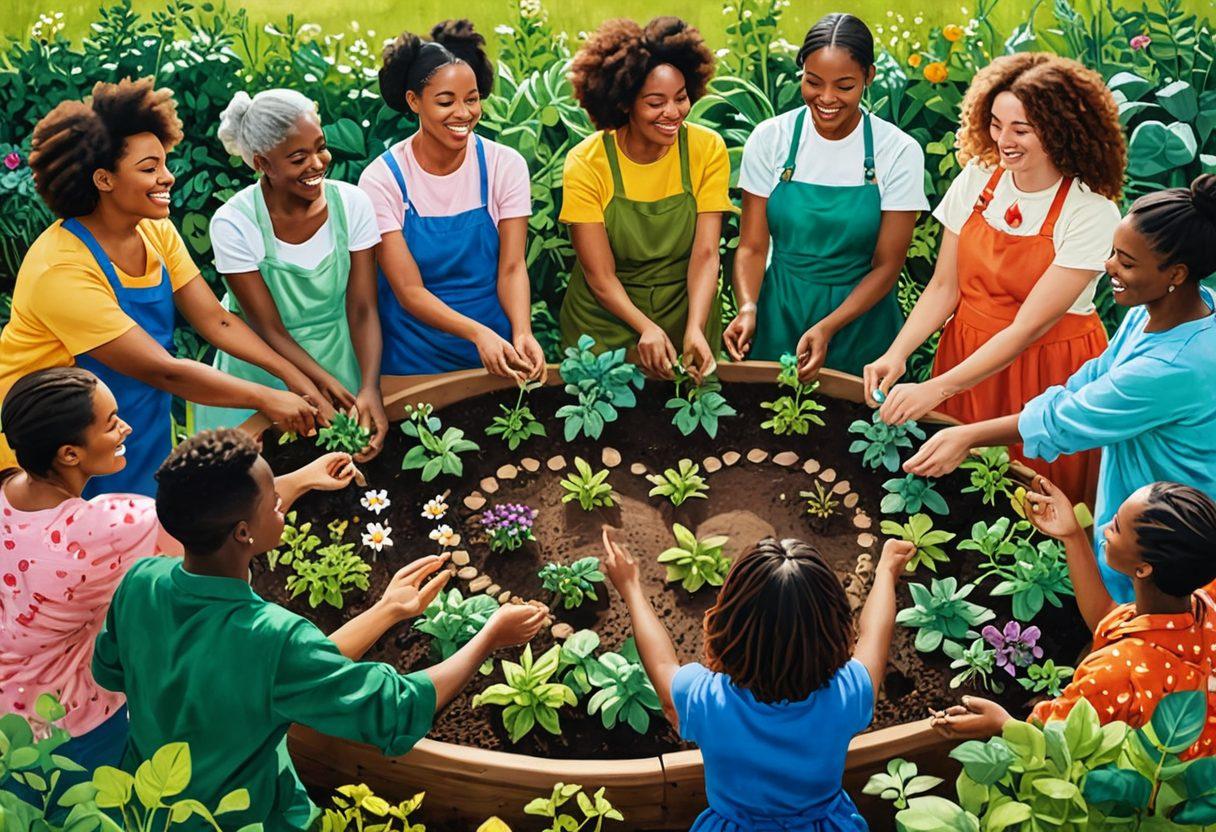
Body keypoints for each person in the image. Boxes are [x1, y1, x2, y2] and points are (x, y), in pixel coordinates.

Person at [92, 428, 549, 830]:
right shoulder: (272, 636)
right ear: (242, 534)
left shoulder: (141, 580)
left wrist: (388, 609)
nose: (282, 506)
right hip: (237, 818)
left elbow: (112, 671)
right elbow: (398, 707)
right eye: (273, 502)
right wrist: (490, 634)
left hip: (145, 805)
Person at [0, 368, 351, 800]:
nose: (125, 426)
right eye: (111, 422)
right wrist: (304, 478)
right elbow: (215, 517)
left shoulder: (6, 490)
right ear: (70, 454)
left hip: (10, 725)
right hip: (77, 724)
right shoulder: (102, 527)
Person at [0, 77, 323, 498]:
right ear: (103, 180)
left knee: (147, 533)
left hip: (127, 418)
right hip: (53, 454)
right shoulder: (60, 270)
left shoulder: (156, 233)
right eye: (149, 168)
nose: (168, 178)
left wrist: (292, 377)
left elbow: (216, 322)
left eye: (165, 163)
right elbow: (162, 368)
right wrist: (267, 398)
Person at [904, 174, 1216, 601]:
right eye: (1113, 253)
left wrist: (968, 434)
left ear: (1175, 274)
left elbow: (1068, 420)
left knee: (1139, 607)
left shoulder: (1174, 367)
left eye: (1126, 262)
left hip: (1166, 522)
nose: (1108, 267)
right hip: (1141, 491)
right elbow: (1095, 376)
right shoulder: (1169, 311)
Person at [866, 54, 1126, 505]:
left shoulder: (1090, 212)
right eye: (995, 124)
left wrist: (937, 388)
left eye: (1021, 129)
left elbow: (1027, 328)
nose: (1003, 141)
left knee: (1036, 501)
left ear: (1060, 130)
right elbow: (945, 287)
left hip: (1045, 370)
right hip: (965, 354)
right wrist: (898, 353)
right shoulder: (979, 179)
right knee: (962, 497)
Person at [600, 526, 914, 830]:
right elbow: (875, 634)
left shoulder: (708, 700)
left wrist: (631, 589)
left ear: (730, 625)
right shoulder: (849, 694)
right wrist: (886, 572)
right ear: (834, 627)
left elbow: (662, 664)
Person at [930, 478, 1216, 760]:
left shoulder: (1114, 674)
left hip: (1158, 797)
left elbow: (1054, 743)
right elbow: (1112, 620)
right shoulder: (1206, 604)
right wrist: (1072, 535)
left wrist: (1001, 724)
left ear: (1142, 569)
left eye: (1115, 528)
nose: (1104, 529)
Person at [723, 13, 926, 378]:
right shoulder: (771, 139)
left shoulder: (897, 151)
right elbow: (753, 246)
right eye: (813, 82)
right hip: (780, 310)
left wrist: (829, 327)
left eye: (844, 86)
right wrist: (749, 308)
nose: (827, 98)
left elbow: (888, 265)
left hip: (862, 320)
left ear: (869, 77)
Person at [195, 90, 388, 460]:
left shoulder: (352, 204)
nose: (317, 164)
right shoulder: (235, 224)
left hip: (338, 356)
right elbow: (269, 329)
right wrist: (318, 387)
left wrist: (368, 387)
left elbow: (362, 307)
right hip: (261, 371)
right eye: (299, 158)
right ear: (262, 163)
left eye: (321, 147)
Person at [359, 20, 545, 382]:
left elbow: (511, 267)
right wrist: (477, 334)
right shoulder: (383, 180)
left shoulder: (504, 166)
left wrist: (521, 332)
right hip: (413, 358)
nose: (463, 113)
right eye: (446, 101)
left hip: (497, 354)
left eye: (472, 99)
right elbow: (409, 291)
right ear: (414, 101)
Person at [560, 17, 732, 381]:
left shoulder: (706, 149)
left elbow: (705, 254)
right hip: (605, 322)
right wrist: (645, 329)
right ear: (624, 103)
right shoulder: (587, 162)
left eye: (681, 98)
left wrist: (695, 327)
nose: (673, 113)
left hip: (685, 312)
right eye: (656, 103)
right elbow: (599, 274)